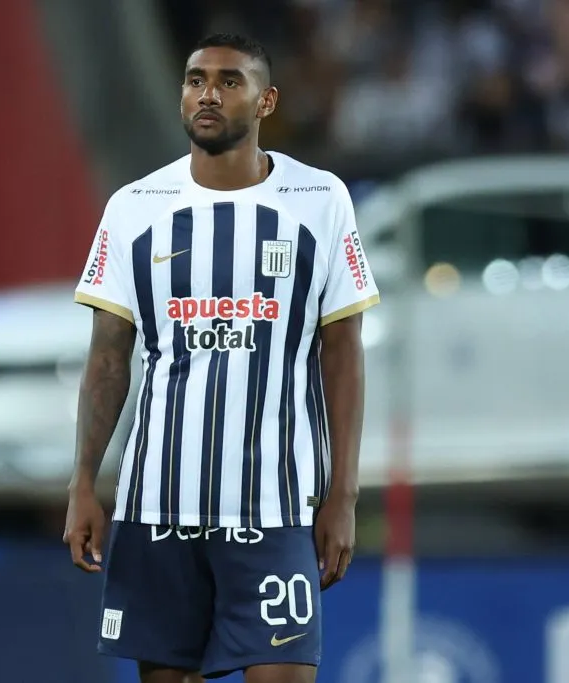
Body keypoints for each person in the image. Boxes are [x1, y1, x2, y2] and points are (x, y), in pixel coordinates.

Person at [64, 32, 380, 683]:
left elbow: (343, 355)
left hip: (276, 507)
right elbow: (107, 361)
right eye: (196, 79)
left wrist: (342, 493)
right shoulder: (134, 208)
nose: (208, 93)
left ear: (266, 100)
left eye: (229, 81)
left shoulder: (318, 202)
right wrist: (83, 482)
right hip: (158, 505)